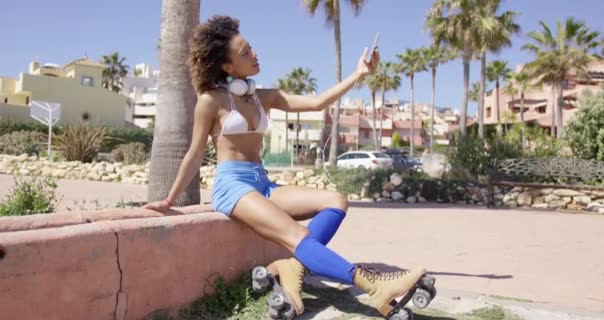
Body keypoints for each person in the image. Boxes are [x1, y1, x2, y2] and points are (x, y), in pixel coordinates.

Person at [144, 15, 427, 317]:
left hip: (262, 183)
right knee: (297, 236)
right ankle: (374, 285)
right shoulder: (210, 101)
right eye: (245, 53)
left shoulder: (265, 97)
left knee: (336, 201)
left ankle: (293, 267)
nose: (255, 55)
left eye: (251, 48)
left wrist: (358, 74)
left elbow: (318, 103)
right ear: (227, 67)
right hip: (233, 187)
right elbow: (194, 153)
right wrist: (171, 198)